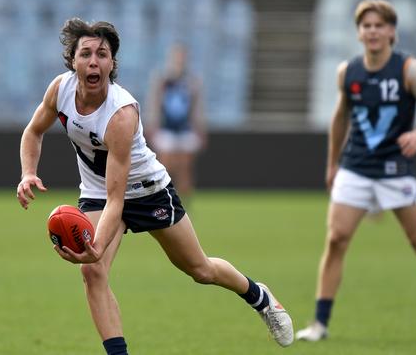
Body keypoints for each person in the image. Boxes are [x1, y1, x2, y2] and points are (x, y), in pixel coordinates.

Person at [16, 18, 294, 355]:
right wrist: (28, 173)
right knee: (92, 272)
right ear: (72, 61)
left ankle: (260, 297)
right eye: (85, 53)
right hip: (96, 192)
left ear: (112, 63)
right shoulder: (59, 89)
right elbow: (33, 131)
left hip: (146, 191)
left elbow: (118, 200)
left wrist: (97, 245)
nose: (93, 61)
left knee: (200, 269)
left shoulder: (121, 114)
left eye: (102, 54)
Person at [295, 0, 416, 343]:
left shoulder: (408, 69)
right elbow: (339, 118)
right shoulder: (348, 72)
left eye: (379, 25)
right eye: (366, 26)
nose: (372, 31)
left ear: (391, 31)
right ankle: (320, 324)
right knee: (336, 240)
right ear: (358, 33)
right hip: (356, 168)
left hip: (396, 170)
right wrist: (332, 164)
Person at [145, 44, 207, 206]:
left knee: (185, 167)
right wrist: (153, 124)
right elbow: (155, 103)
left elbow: (196, 107)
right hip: (166, 128)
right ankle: (163, 200)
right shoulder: (162, 79)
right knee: (164, 166)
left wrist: (199, 128)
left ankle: (183, 203)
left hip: (185, 129)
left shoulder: (192, 80)